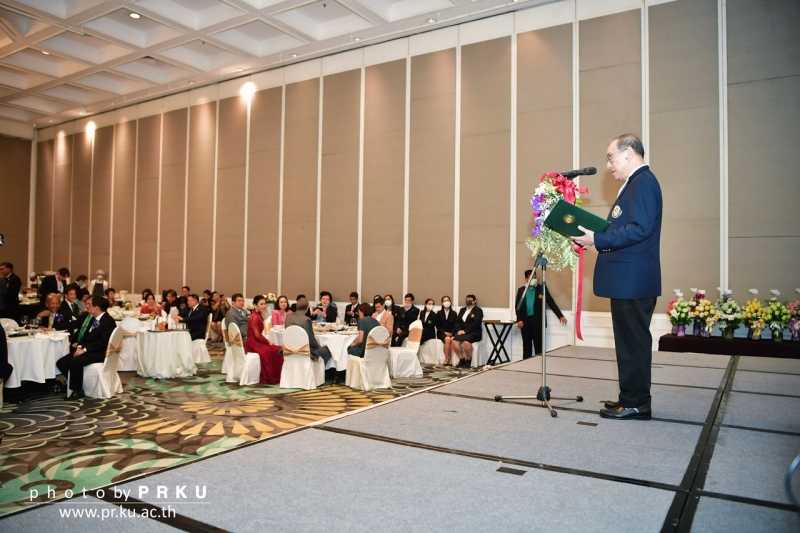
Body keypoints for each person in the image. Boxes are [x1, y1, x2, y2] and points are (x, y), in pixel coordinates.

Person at [572, 133, 662, 421]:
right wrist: (593, 237)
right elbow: (627, 228)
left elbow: (639, 229)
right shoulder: (635, 184)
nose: (609, 165)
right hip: (628, 280)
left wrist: (599, 239)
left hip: (633, 280)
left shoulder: (643, 182)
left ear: (629, 153)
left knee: (633, 343)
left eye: (611, 157)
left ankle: (637, 403)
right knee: (627, 343)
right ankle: (629, 398)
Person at [55, 295, 115, 400]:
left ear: (97, 308)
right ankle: (73, 381)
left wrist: (84, 350)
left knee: (75, 362)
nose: (87, 307)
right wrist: (80, 346)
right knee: (61, 363)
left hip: (99, 352)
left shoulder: (108, 322)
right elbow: (86, 336)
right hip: (89, 350)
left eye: (90, 305)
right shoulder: (93, 319)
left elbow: (102, 343)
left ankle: (77, 390)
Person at [515, 269, 568, 359]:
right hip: (525, 323)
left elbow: (551, 302)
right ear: (526, 279)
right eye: (531, 278)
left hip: (537, 322)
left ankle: (539, 364)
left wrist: (560, 316)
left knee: (538, 347)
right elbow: (517, 307)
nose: (533, 279)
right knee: (527, 347)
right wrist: (519, 320)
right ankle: (526, 365)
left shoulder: (541, 288)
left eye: (535, 277)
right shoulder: (521, 290)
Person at [284, 297, 333, 370]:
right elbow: (311, 340)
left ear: (297, 306)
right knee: (329, 350)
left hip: (290, 348)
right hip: (304, 350)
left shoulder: (288, 317)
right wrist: (318, 345)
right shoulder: (306, 320)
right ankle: (318, 371)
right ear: (307, 308)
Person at [246, 295, 283, 384]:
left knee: (277, 349)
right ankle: (272, 376)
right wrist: (268, 341)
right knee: (276, 350)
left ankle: (275, 375)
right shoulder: (255, 317)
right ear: (255, 305)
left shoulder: (257, 315)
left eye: (264, 304)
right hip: (253, 343)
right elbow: (257, 336)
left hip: (255, 341)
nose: (264, 306)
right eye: (261, 304)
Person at [452, 294, 483, 368]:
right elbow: (457, 321)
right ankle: (461, 359)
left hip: (473, 333)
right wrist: (459, 330)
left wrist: (465, 331)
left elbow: (476, 323)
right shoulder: (462, 310)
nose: (468, 301)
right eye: (467, 299)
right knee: (454, 342)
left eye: (470, 300)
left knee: (466, 342)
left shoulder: (478, 310)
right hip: (462, 332)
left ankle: (468, 360)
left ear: (474, 301)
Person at [437, 296, 456, 365]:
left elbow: (455, 325)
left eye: (447, 300)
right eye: (444, 301)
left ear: (450, 302)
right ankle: (446, 359)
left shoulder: (454, 313)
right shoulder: (439, 313)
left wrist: (452, 333)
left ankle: (451, 359)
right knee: (447, 339)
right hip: (442, 333)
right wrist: (444, 332)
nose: (446, 302)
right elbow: (438, 325)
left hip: (451, 333)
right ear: (442, 303)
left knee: (452, 339)